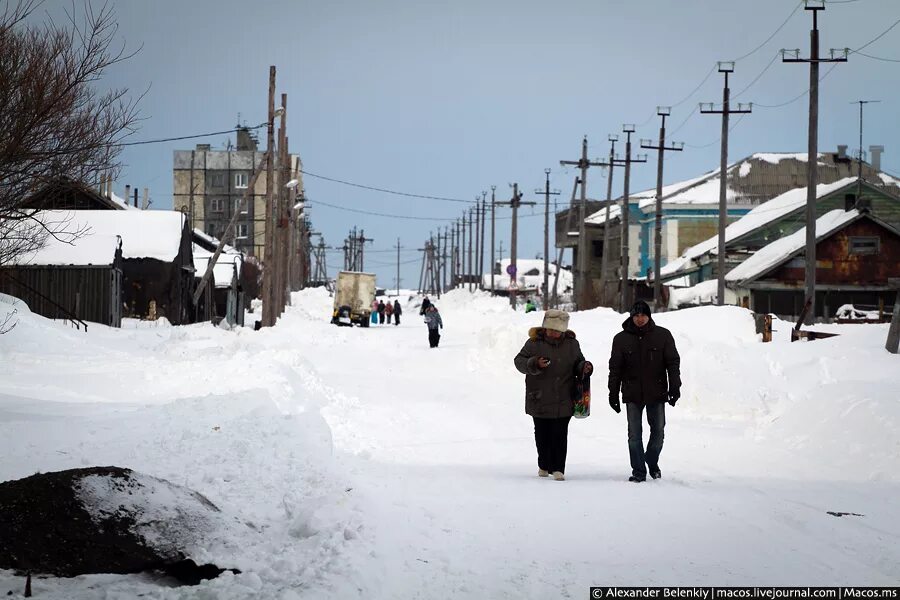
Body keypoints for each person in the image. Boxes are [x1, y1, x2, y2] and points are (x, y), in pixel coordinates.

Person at [514, 309, 592, 481]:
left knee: (560, 433)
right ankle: (544, 464)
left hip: (564, 397)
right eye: (550, 330)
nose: (553, 333)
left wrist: (584, 367)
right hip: (540, 397)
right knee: (542, 434)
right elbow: (519, 361)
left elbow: (579, 362)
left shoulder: (572, 344)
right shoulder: (533, 343)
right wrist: (534, 363)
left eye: (557, 330)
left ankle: (558, 468)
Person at [607, 300, 681, 483]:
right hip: (632, 393)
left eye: (643, 315)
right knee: (634, 434)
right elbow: (615, 369)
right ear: (631, 317)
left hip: (657, 392)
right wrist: (613, 393)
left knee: (658, 432)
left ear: (649, 316)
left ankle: (651, 460)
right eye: (636, 315)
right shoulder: (621, 339)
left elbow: (672, 363)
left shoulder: (663, 336)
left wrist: (675, 387)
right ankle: (639, 470)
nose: (640, 319)